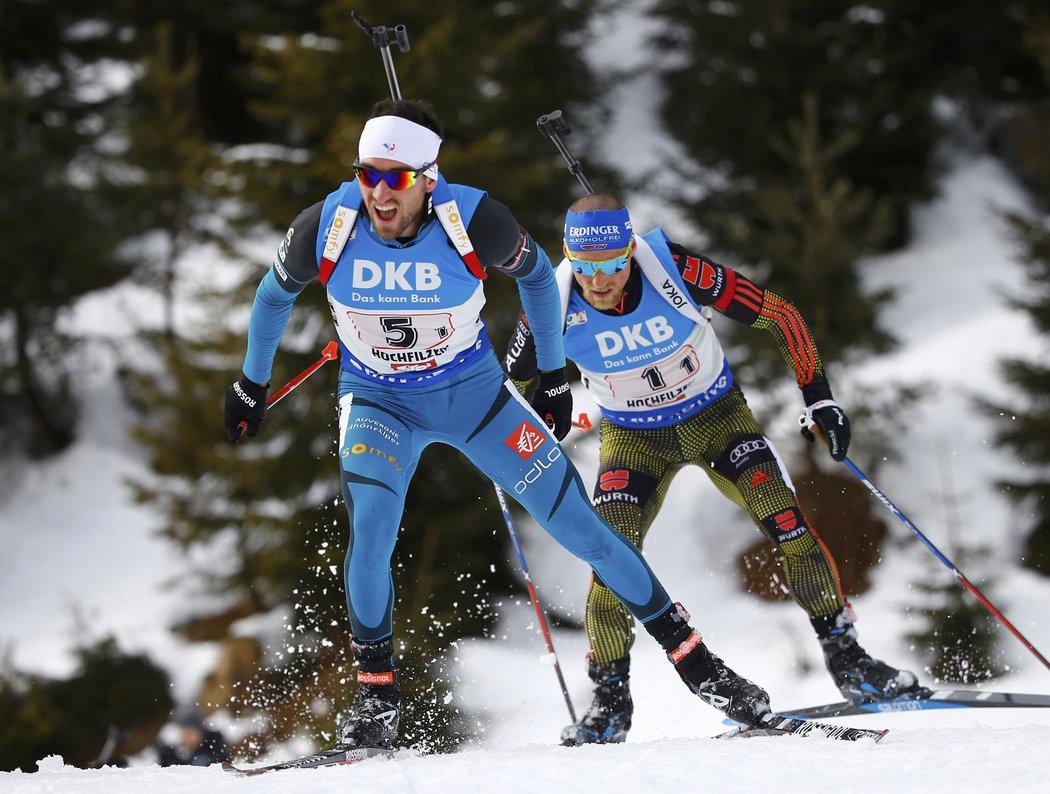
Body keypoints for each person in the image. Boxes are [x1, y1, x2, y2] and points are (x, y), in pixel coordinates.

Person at [223, 99, 775, 752]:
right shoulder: (329, 223)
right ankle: (376, 699)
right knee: (370, 532)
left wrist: (550, 375)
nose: (378, 193)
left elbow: (540, 279)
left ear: (429, 177)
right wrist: (249, 385)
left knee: (583, 529)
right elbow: (272, 295)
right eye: (368, 174)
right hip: (379, 403)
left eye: (394, 179)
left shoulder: (474, 219)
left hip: (475, 398)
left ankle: (700, 668)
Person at [504, 193, 928, 746]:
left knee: (787, 523)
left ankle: (847, 657)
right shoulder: (549, 303)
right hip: (634, 441)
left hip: (717, 418)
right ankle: (609, 701)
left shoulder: (672, 267)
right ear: (569, 260)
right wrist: (521, 430)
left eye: (611, 263)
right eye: (585, 267)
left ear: (630, 252)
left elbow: (779, 314)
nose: (599, 281)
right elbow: (505, 390)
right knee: (609, 557)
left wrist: (819, 398)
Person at [155, 709, 230, 767]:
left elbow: (226, 764)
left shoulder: (213, 744)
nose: (187, 738)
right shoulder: (174, 753)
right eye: (184, 734)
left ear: (200, 733)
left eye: (190, 734)